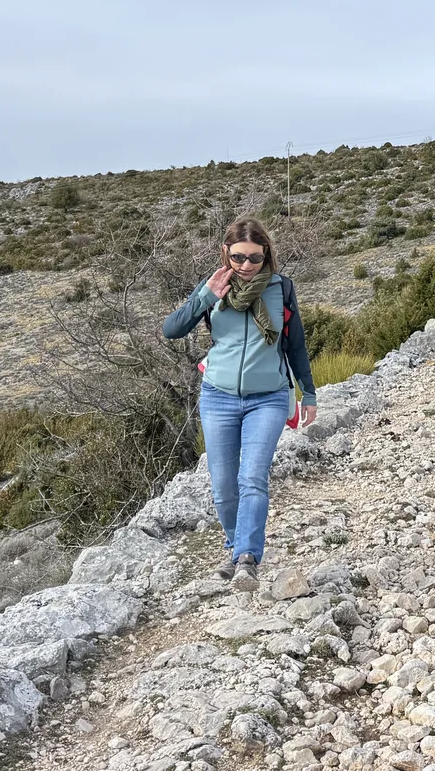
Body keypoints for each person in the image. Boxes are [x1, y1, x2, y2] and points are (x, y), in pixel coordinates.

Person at [163, 218, 318, 590]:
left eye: (255, 258)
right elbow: (171, 329)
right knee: (223, 487)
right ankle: (235, 547)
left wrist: (308, 393)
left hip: (269, 397)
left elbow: (294, 344)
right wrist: (205, 297)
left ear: (266, 255)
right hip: (218, 396)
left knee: (252, 477)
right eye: (238, 257)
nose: (247, 266)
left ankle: (248, 557)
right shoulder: (213, 288)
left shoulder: (282, 288)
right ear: (226, 254)